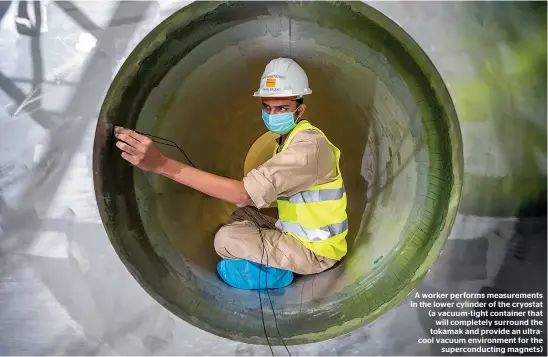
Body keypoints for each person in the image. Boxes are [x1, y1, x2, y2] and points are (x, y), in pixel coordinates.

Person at [114, 58, 348, 287]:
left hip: (316, 250)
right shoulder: (290, 139)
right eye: (267, 107)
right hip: (295, 230)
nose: (272, 115)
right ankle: (272, 257)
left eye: (282, 108)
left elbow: (242, 194)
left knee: (225, 240)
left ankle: (280, 274)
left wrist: (161, 164)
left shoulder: (309, 147)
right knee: (243, 215)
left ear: (300, 109)